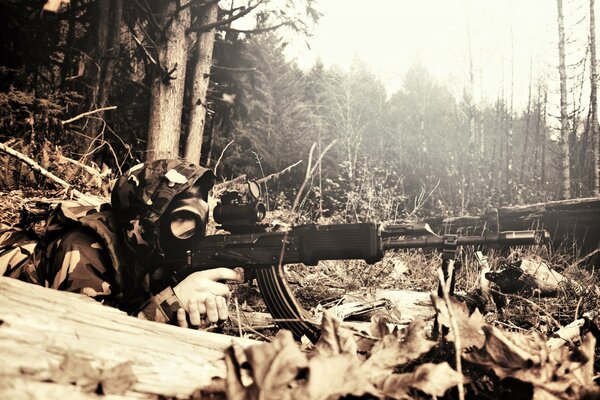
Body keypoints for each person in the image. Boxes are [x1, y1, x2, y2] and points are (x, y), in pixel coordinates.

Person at [0, 159, 240, 329]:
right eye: (181, 218)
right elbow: (80, 341)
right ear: (150, 220)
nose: (192, 231)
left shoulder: (155, 248)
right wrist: (171, 304)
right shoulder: (83, 250)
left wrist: (193, 312)